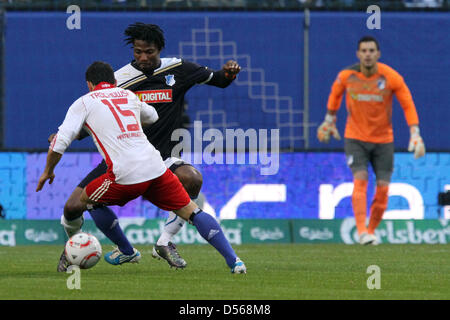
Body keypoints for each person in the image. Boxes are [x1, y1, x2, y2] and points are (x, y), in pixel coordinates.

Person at [52, 22, 241, 271]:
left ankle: (165, 242)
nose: (143, 57)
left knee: (192, 178)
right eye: (138, 52)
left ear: (159, 49)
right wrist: (67, 136)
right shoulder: (118, 80)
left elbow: (219, 80)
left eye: (149, 52)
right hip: (122, 157)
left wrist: (228, 73)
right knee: (73, 206)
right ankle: (117, 250)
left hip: (163, 157)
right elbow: (94, 115)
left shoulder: (179, 69)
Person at [317, 36, 425, 245]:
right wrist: (329, 120)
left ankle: (371, 231)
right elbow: (335, 95)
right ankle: (361, 231)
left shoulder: (391, 77)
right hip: (355, 138)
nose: (367, 54)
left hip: (384, 140)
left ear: (378, 54)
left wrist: (415, 132)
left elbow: (408, 104)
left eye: (371, 50)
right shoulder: (347, 76)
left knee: (383, 188)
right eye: (364, 51)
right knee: (361, 179)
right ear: (358, 54)